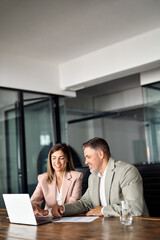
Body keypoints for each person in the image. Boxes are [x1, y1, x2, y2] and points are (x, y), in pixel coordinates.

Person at [51, 137, 149, 218]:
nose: (85, 162)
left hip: (131, 227)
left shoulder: (126, 171)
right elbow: (85, 203)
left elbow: (134, 209)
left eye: (88, 157)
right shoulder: (93, 177)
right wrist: (63, 208)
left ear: (101, 154)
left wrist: (103, 210)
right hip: (105, 227)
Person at [31, 143, 83, 216]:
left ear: (67, 159)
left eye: (61, 158)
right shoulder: (43, 178)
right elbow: (34, 201)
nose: (57, 162)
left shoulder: (76, 176)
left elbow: (74, 202)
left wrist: (60, 209)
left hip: (69, 217)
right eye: (54, 158)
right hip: (49, 217)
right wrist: (35, 208)